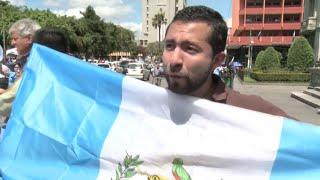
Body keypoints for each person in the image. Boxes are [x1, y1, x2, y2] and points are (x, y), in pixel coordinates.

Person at [162, 6, 288, 117]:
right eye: (169, 46)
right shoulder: (149, 104)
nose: (174, 60)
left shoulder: (250, 111)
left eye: (190, 49)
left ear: (217, 60)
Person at [0, 26, 68, 135]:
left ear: (38, 49)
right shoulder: (76, 76)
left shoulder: (33, 77)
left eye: (15, 39)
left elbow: (4, 104)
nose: (13, 43)